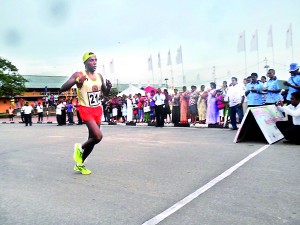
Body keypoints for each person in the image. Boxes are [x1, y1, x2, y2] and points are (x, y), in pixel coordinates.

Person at [60, 52, 111, 175]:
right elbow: (63, 88)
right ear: (85, 63)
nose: (94, 63)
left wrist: (108, 87)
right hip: (85, 109)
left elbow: (105, 93)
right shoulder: (79, 74)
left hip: (97, 109)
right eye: (91, 60)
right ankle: (79, 148)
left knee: (92, 139)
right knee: (98, 136)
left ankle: (80, 164)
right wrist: (77, 81)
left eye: (95, 60)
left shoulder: (99, 76)